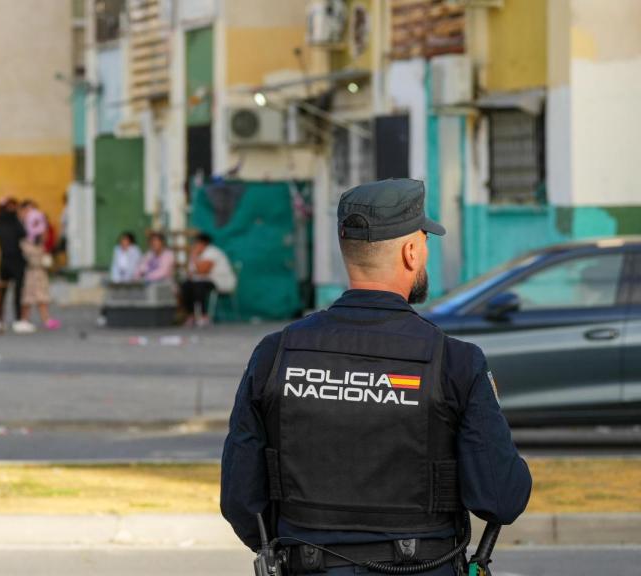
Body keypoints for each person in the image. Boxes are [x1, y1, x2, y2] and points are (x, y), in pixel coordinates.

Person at [221, 178, 532, 576]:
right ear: (410, 251)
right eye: (425, 244)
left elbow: (240, 499)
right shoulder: (455, 362)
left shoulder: (275, 355)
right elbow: (501, 498)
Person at [0, 198, 34, 334]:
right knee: (10, 292)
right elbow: (23, 233)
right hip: (14, 261)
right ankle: (13, 320)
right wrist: (19, 219)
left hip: (6, 261)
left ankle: (3, 320)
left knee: (7, 293)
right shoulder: (11, 222)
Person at [182, 233, 236, 326]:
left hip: (220, 281)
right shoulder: (198, 254)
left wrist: (194, 257)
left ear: (203, 243)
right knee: (186, 285)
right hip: (205, 281)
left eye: (196, 243)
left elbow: (202, 270)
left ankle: (204, 316)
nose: (194, 246)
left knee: (199, 286)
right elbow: (190, 274)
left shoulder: (212, 252)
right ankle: (192, 315)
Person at [21, 236, 60, 331]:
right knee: (31, 297)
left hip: (35, 273)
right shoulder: (29, 246)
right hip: (35, 273)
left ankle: (42, 319)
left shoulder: (30, 245)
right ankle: (27, 319)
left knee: (36, 297)